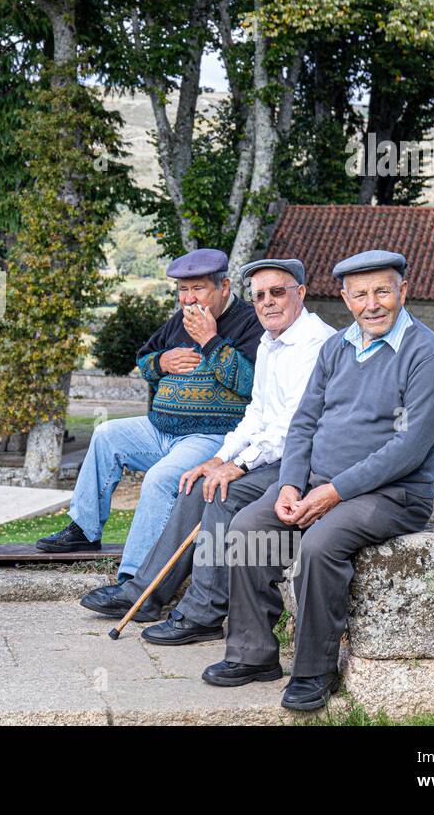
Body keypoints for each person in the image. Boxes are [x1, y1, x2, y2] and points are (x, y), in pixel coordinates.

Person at [203, 250, 434, 711]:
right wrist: (289, 486)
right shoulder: (337, 347)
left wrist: (335, 493)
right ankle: (254, 653)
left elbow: (409, 447)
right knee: (245, 529)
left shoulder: (426, 353)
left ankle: (314, 671)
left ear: (403, 291)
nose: (372, 304)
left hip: (393, 494)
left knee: (320, 545)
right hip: (317, 482)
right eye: (360, 295)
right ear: (345, 298)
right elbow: (303, 423)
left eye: (382, 291)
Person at [79, 259, 335, 633]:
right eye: (260, 295)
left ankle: (203, 611)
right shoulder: (271, 340)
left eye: (277, 292)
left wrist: (237, 466)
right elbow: (256, 414)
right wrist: (218, 458)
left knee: (219, 490)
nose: (267, 302)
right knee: (197, 481)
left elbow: (290, 428)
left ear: (300, 293)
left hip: (300, 461)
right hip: (262, 450)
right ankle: (143, 594)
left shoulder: (314, 343)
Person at [35, 248, 264, 585]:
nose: (188, 299)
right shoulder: (179, 321)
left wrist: (210, 340)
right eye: (182, 290)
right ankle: (84, 528)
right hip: (160, 429)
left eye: (197, 289)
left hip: (211, 437)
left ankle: (135, 578)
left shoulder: (250, 322)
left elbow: (249, 383)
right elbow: (144, 359)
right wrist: (163, 362)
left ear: (225, 286)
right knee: (106, 435)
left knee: (159, 479)